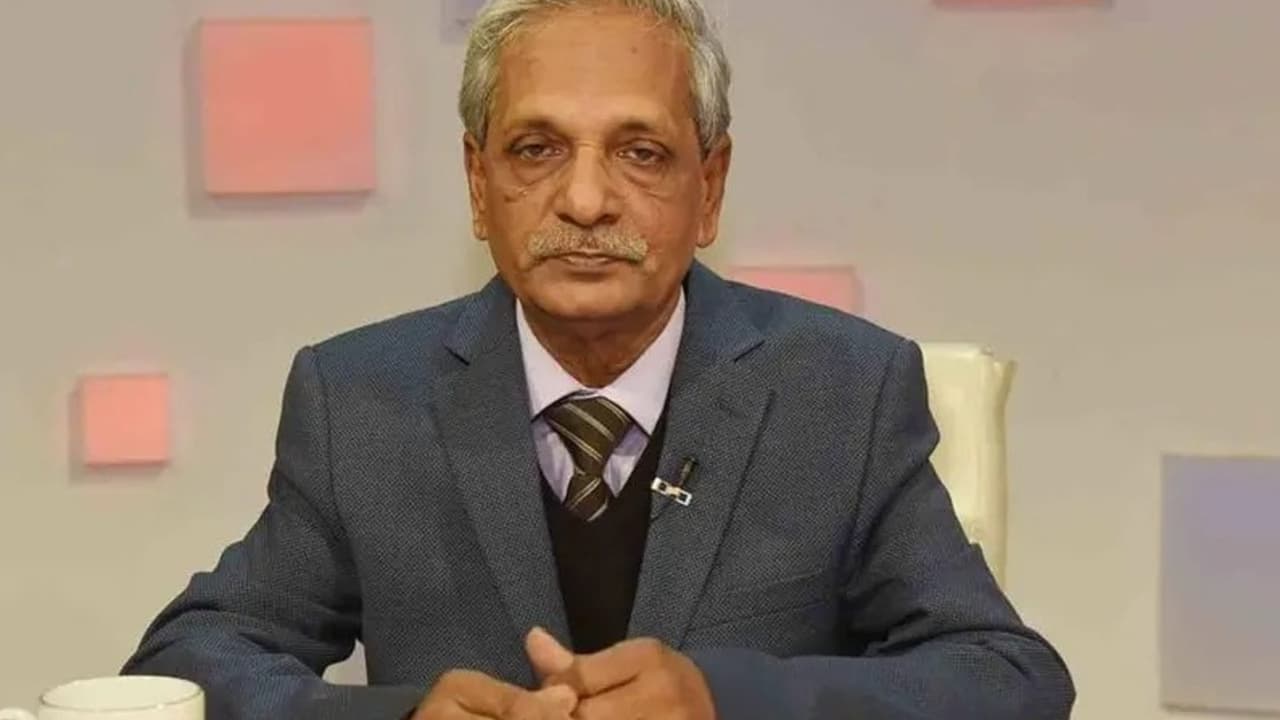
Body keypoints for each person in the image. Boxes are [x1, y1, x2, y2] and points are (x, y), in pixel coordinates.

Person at [123, 0, 1075, 718]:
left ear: (711, 187)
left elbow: (1007, 676)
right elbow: (189, 658)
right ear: (479, 184)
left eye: (640, 153)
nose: (585, 201)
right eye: (537, 149)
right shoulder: (362, 400)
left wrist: (726, 701)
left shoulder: (843, 392)